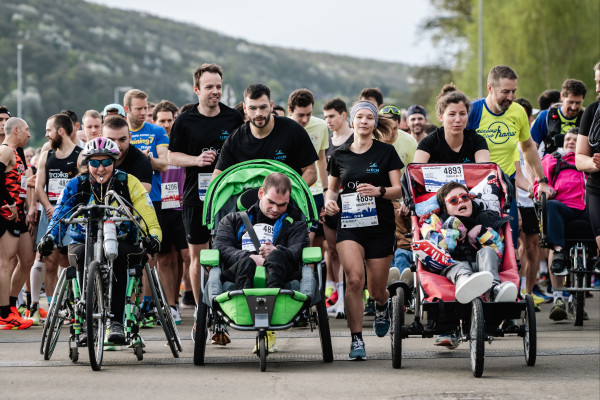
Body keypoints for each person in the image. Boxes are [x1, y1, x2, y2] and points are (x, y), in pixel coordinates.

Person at [37, 137, 161, 345]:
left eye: (106, 162)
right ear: (87, 164)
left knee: (118, 257)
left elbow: (148, 216)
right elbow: (59, 215)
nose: (101, 168)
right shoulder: (76, 185)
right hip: (83, 241)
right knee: (82, 255)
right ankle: (89, 324)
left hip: (122, 242)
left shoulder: (129, 182)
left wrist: (153, 237)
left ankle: (116, 323)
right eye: (94, 163)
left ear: (115, 162)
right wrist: (50, 237)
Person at [324, 101, 403, 360]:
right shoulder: (339, 155)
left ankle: (382, 305)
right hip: (350, 226)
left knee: (376, 288)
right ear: (352, 120)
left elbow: (398, 190)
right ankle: (356, 340)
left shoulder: (386, 152)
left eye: (370, 117)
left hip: (380, 227)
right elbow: (332, 189)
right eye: (360, 117)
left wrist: (379, 191)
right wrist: (329, 203)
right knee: (355, 280)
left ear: (374, 123)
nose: (364, 121)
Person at [168, 63, 244, 309]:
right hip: (196, 197)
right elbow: (171, 156)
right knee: (199, 257)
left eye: (218, 86)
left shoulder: (233, 118)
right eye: (209, 86)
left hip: (229, 197)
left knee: (230, 253)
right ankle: (203, 312)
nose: (215, 91)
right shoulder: (185, 120)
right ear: (196, 90)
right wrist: (196, 160)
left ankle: (228, 306)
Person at [467, 65, 553, 246]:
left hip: (506, 189)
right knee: (478, 243)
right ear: (490, 88)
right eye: (505, 92)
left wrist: (541, 181)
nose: (511, 97)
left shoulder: (518, 111)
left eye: (514, 91)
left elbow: (528, 148)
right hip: (474, 189)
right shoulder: (473, 111)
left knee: (510, 245)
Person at [27, 114, 82, 325]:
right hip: (49, 214)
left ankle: (69, 305)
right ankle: (51, 308)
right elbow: (39, 186)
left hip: (72, 215)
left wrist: (65, 209)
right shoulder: (46, 154)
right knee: (48, 261)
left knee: (68, 262)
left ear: (60, 131)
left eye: (49, 130)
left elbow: (82, 187)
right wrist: (49, 207)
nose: (46, 134)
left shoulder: (80, 155)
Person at [213, 83, 318, 187]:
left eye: (263, 107)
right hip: (248, 197)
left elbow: (311, 172)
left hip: (288, 196)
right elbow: (217, 177)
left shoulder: (293, 130)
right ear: (245, 109)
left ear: (271, 106)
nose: (258, 113)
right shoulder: (234, 140)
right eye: (252, 108)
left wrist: (290, 192)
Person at [430, 182, 517, 305]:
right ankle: (465, 284)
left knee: (488, 251)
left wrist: (481, 231)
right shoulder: (439, 223)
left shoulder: (486, 218)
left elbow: (498, 249)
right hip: (456, 266)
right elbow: (440, 249)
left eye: (465, 197)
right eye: (453, 200)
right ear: (445, 208)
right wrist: (453, 226)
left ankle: (493, 289)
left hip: (483, 267)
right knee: (458, 266)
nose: (461, 201)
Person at [533, 128, 586, 320]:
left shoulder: (588, 161)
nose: (571, 141)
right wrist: (545, 190)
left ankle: (577, 299)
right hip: (561, 209)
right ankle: (558, 254)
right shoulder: (551, 159)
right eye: (568, 138)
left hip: (585, 209)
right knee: (551, 205)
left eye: (575, 139)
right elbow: (538, 184)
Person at [153, 100, 191, 324]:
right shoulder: (152, 145)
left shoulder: (183, 140)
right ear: (155, 123)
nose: (167, 125)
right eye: (162, 121)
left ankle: (200, 303)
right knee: (166, 259)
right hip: (162, 205)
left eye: (170, 120)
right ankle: (171, 305)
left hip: (184, 206)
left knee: (187, 256)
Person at [322, 98, 353, 318]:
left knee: (346, 252)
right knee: (332, 251)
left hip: (351, 203)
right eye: (325, 117)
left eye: (332, 116)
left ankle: (348, 299)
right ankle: (336, 298)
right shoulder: (327, 141)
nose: (328, 121)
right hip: (330, 201)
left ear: (343, 115)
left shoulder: (354, 138)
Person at [0, 117, 32, 330]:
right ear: (16, 130)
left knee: (27, 260)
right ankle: (4, 314)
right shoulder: (5, 150)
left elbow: (18, 182)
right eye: (26, 130)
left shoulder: (16, 153)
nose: (29, 134)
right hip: (6, 213)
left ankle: (11, 306)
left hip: (18, 214)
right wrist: (10, 203)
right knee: (5, 262)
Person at [288, 88, 328, 247]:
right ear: (290, 110)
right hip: (289, 192)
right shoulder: (282, 127)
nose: (305, 119)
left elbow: (322, 160)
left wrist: (326, 192)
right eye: (300, 115)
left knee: (308, 241)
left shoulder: (321, 126)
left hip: (314, 192)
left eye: (309, 114)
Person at [413, 85, 489, 164]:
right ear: (441, 117)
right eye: (452, 114)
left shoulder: (477, 140)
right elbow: (416, 170)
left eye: (462, 114)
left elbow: (485, 168)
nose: (458, 119)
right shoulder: (429, 142)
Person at [576, 61, 600, 249]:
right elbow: (579, 158)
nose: (597, 89)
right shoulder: (592, 111)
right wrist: (594, 163)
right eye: (596, 82)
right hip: (597, 189)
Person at [531, 79, 587, 154]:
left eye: (578, 103)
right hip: (551, 160)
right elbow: (530, 148)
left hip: (578, 161)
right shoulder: (545, 117)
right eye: (570, 102)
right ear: (562, 97)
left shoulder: (588, 119)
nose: (574, 107)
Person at [102, 116, 152, 193]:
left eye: (122, 139)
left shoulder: (141, 162)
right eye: (110, 140)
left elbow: (142, 196)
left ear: (130, 137)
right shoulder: (92, 159)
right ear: (101, 139)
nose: (117, 145)